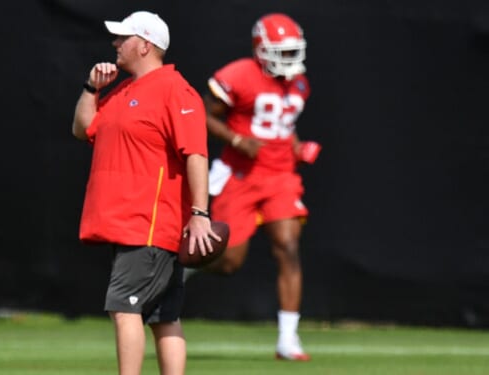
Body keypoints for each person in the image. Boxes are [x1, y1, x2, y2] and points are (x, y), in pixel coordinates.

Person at [72, 10, 220, 375]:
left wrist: (200, 214)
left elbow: (196, 154)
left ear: (146, 45)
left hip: (150, 224)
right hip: (126, 223)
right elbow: (82, 128)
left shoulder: (175, 89)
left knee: (125, 308)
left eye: (124, 37)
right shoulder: (122, 90)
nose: (115, 43)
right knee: (162, 316)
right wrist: (91, 88)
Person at [193, 13, 321, 361]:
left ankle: (287, 340)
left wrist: (296, 146)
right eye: (282, 50)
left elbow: (284, 124)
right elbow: (201, 114)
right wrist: (236, 138)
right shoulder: (238, 75)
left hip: (281, 176)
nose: (290, 59)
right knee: (229, 260)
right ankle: (186, 266)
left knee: (288, 247)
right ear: (261, 50)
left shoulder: (298, 82)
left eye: (293, 50)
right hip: (241, 176)